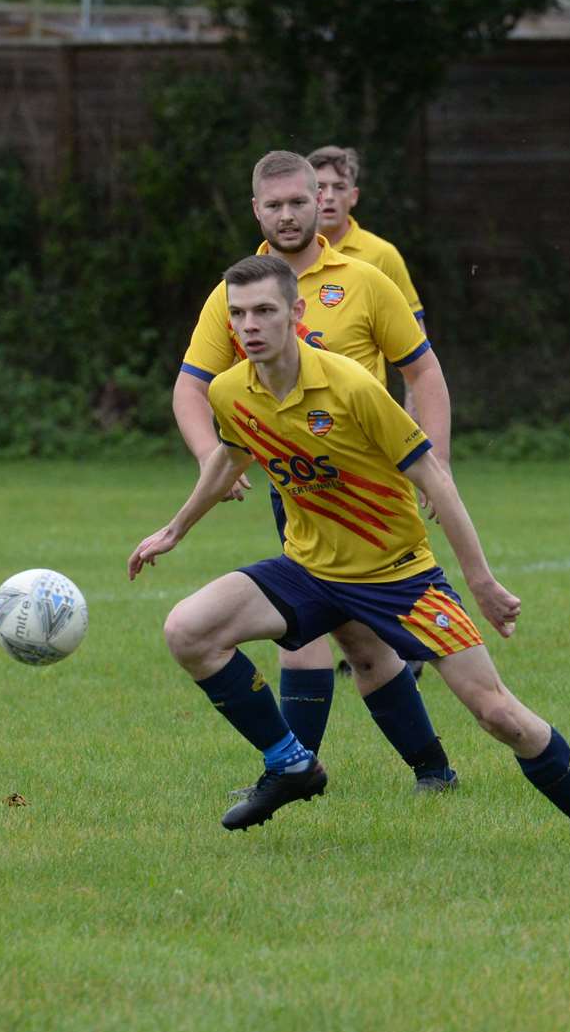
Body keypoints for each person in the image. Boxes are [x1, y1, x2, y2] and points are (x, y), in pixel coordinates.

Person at [132, 254, 570, 844]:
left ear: (296, 314)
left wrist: (481, 582)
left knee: (497, 713)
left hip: (400, 579)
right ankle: (291, 762)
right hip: (308, 572)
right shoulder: (229, 391)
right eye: (238, 314)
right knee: (187, 630)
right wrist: (176, 528)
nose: (250, 325)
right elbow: (230, 457)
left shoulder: (351, 386)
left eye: (265, 311)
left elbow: (434, 479)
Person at [171, 151, 456, 794]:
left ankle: (309, 766)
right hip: (297, 485)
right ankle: (331, 767)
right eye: (274, 206)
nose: (289, 214)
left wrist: (434, 460)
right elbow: (191, 388)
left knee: (349, 637)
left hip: (373, 491)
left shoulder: (366, 274)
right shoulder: (238, 291)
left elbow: (423, 371)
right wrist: (213, 461)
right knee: (325, 632)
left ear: (323, 202)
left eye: (301, 201)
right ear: (256, 211)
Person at [306, 145, 427, 329]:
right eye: (320, 187)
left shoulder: (382, 255)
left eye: (339, 187)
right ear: (306, 196)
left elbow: (415, 334)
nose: (329, 196)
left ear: (353, 196)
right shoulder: (286, 254)